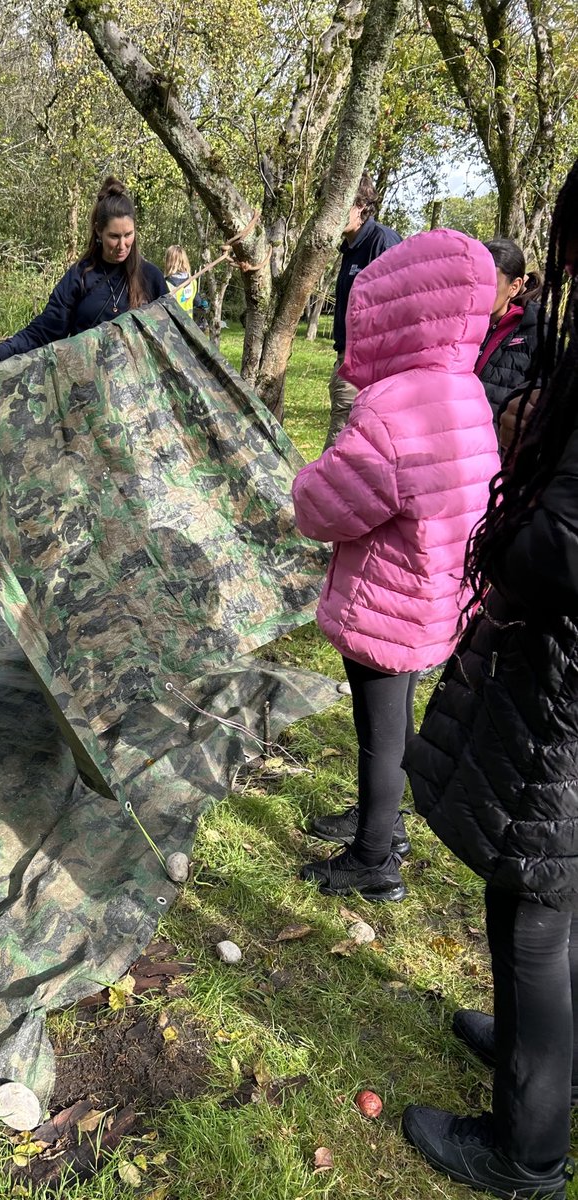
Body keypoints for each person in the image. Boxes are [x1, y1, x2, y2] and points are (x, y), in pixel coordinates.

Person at [402, 161, 578, 1200]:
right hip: (553, 672)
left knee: (539, 904)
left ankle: (525, 1152)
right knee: (538, 894)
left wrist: (506, 531)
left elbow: (567, 544)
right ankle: (526, 1057)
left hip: (562, 682)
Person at [292, 229, 499, 901]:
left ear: (391, 310)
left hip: (388, 598)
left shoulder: (393, 406)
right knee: (395, 723)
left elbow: (327, 508)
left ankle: (374, 860)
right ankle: (383, 820)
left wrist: (305, 481)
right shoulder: (465, 391)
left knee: (379, 735)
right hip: (435, 596)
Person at [0, 177, 169, 370]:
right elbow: (44, 330)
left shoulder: (151, 277)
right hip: (89, 387)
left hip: (140, 394)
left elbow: (169, 338)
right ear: (98, 231)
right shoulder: (80, 275)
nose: (122, 245)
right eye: (114, 236)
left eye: (128, 235)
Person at [323, 174, 401, 451]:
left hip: (370, 362)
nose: (331, 213)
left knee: (341, 444)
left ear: (360, 205)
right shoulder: (349, 248)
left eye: (340, 203)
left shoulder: (383, 243)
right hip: (347, 357)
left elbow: (397, 308)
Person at [475, 237, 541, 421]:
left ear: (514, 287)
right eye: (475, 282)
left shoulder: (536, 333)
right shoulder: (455, 325)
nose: (480, 293)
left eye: (491, 285)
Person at [163, 245, 197, 315]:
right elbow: (197, 301)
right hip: (189, 324)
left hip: (173, 325)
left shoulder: (165, 284)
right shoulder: (193, 282)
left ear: (168, 262)